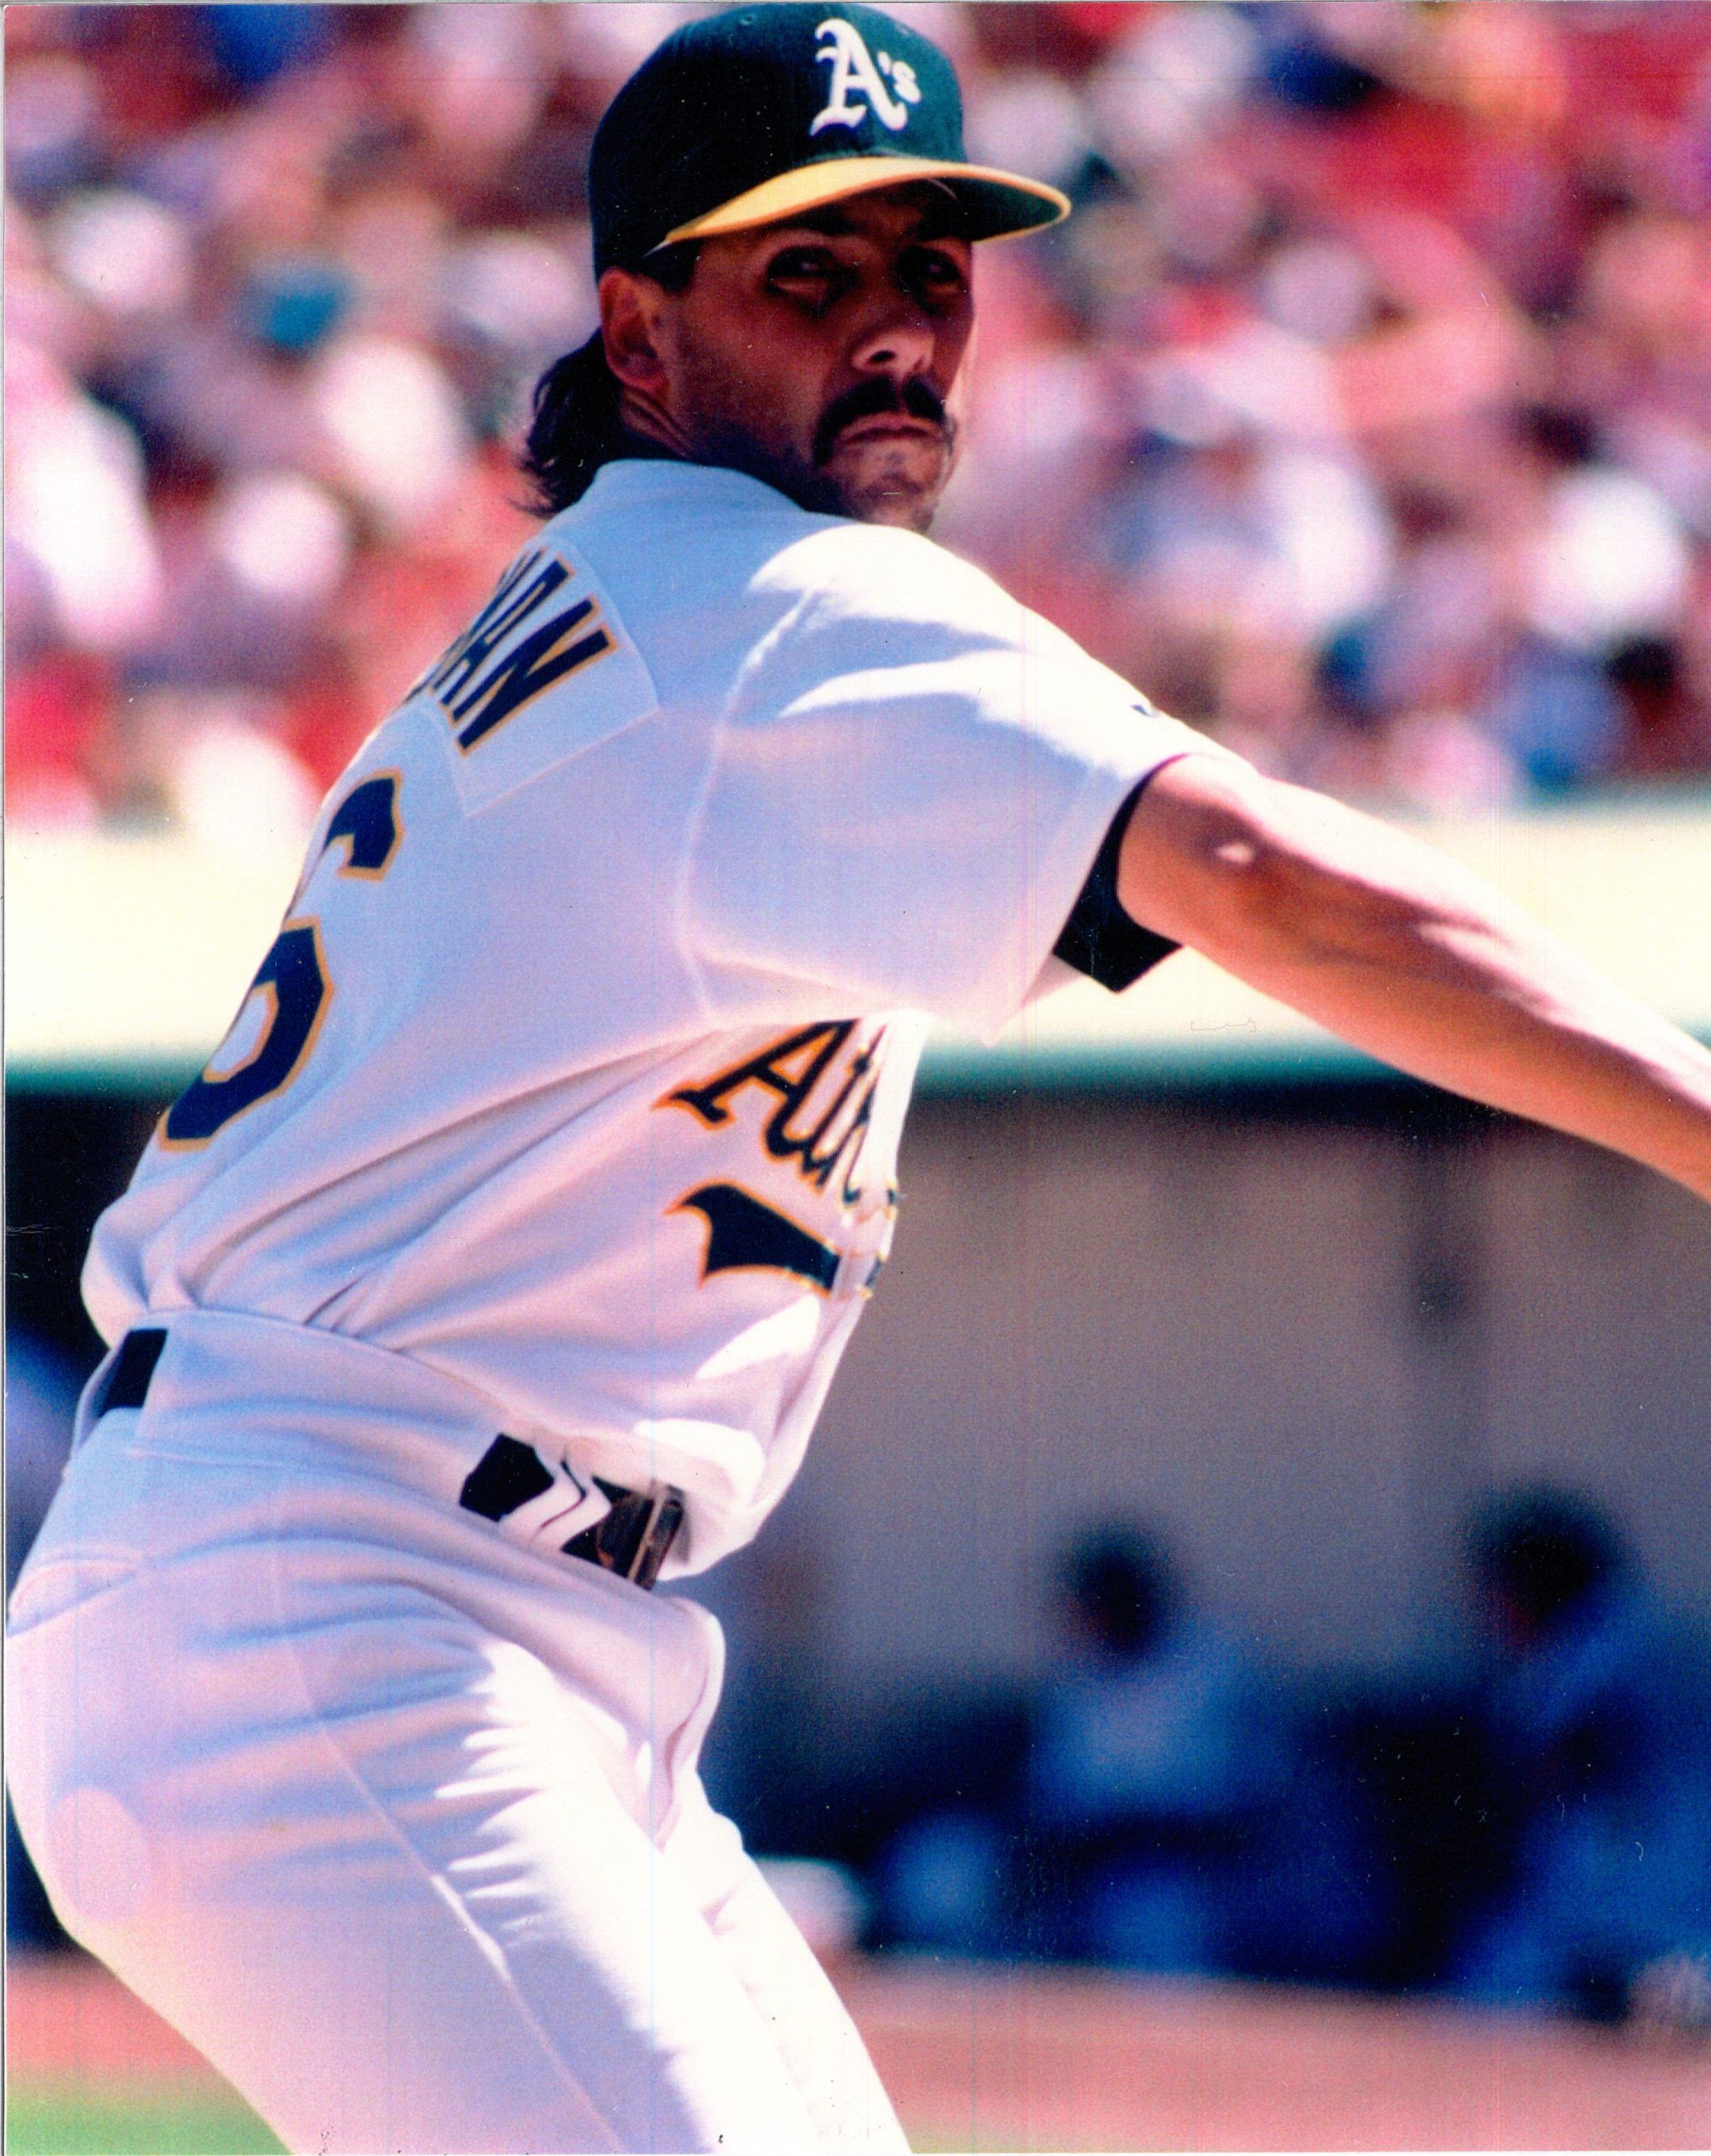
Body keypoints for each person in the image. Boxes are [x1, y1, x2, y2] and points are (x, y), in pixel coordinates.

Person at [7, 8, 1711, 2152]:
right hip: (341, 1598)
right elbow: (1265, 874)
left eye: (929, 264)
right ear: (640, 337)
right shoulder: (768, 608)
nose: (894, 325)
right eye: (803, 273)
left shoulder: (626, 603)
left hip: (449, 1612)